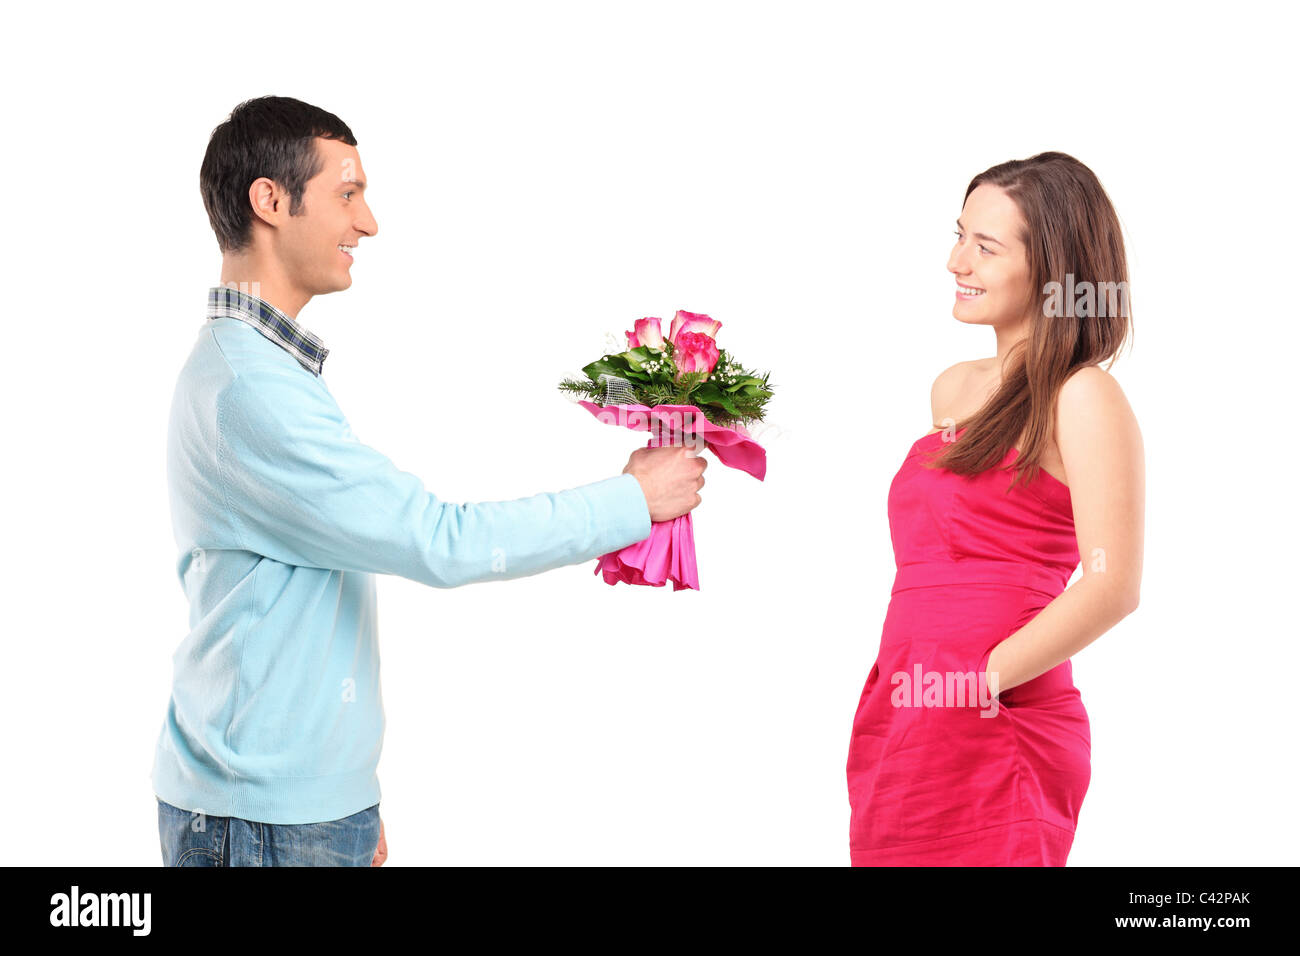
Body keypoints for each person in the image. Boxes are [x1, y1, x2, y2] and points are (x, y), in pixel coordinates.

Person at [152, 95, 706, 867]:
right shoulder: (250, 390)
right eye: (348, 194)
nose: (368, 223)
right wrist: (631, 503)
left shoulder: (259, 371)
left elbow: (303, 598)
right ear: (270, 202)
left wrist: (344, 792)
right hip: (265, 823)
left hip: (291, 810)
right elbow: (436, 541)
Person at [846, 152, 1144, 866]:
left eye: (986, 247)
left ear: (1053, 272)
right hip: (904, 704)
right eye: (958, 236)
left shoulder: (1082, 396)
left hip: (996, 713)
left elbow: (1113, 586)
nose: (957, 261)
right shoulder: (952, 392)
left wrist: (978, 679)